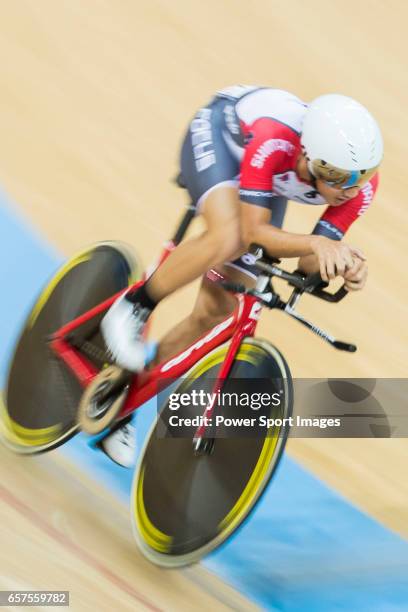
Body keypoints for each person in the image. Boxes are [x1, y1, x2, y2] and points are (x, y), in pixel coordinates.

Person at [99, 86, 383, 466]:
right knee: (230, 237)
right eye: (338, 176)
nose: (349, 189)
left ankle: (124, 405)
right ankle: (133, 307)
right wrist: (316, 244)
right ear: (310, 157)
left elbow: (309, 264)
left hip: (265, 184)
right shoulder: (275, 138)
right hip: (221, 139)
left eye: (361, 177)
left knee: (215, 312)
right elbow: (253, 235)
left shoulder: (357, 189)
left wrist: (343, 263)